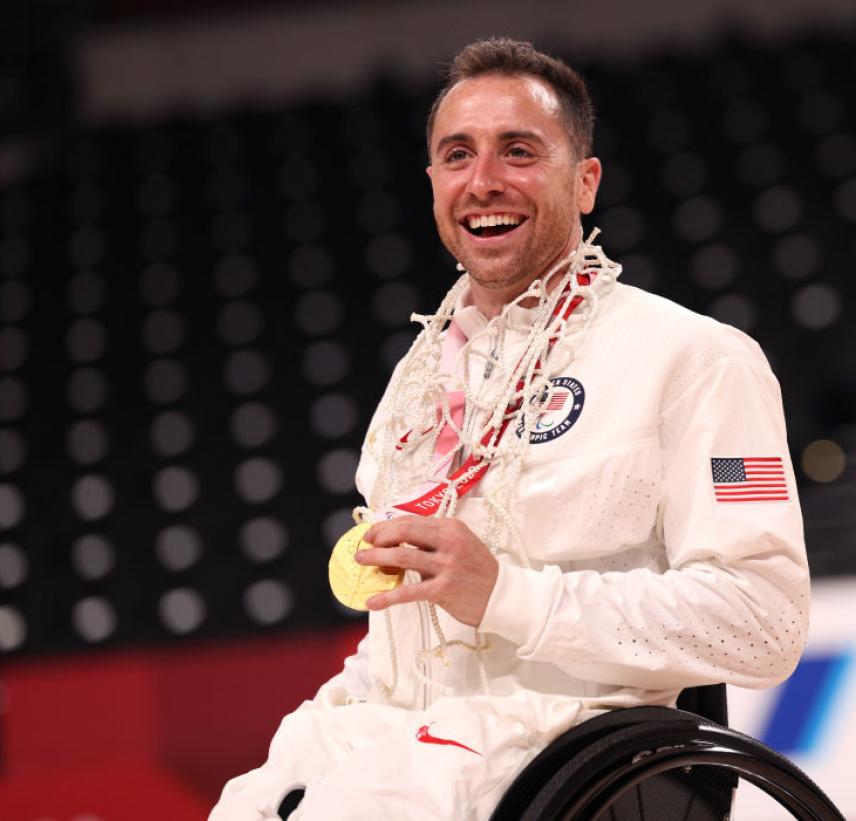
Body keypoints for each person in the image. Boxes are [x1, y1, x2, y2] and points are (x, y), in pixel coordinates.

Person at [211, 37, 809, 820]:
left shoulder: (697, 359)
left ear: (585, 180)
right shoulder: (417, 385)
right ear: (432, 184)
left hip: (572, 757)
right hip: (406, 740)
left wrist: (508, 596)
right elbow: (405, 646)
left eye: (518, 151)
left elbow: (762, 622)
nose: (482, 181)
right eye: (457, 155)